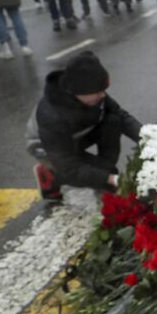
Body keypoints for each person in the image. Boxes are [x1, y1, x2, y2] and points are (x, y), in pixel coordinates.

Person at [31, 51, 142, 201]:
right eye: (98, 91)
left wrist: (148, 137)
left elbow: (121, 115)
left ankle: (103, 177)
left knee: (113, 120)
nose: (103, 95)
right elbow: (70, 167)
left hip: (78, 133)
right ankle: (50, 174)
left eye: (104, 90)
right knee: (82, 171)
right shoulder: (52, 117)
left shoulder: (93, 92)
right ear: (76, 92)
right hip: (47, 146)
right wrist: (110, 178)